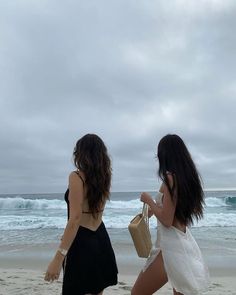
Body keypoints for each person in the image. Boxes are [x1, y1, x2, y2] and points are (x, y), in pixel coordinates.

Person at [131, 134, 210, 295]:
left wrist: (148, 200)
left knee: (137, 293)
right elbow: (175, 212)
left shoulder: (170, 178)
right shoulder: (186, 179)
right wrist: (155, 209)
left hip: (169, 248)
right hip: (183, 243)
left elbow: (167, 220)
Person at [44, 134, 118, 295]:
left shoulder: (76, 177)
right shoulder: (105, 176)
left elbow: (75, 219)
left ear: (82, 153)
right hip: (100, 238)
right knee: (97, 290)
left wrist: (58, 259)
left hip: (81, 242)